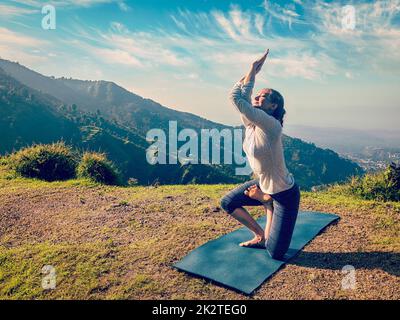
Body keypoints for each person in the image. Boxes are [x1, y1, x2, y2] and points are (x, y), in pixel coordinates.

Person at [220, 49, 301, 260]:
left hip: (284, 194)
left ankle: (267, 203)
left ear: (273, 106)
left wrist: (252, 69)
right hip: (264, 183)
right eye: (258, 94)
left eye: (263, 96)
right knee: (228, 202)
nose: (257, 97)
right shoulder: (252, 123)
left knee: (275, 253)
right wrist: (253, 71)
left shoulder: (271, 125)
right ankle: (259, 235)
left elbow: (236, 98)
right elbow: (244, 97)